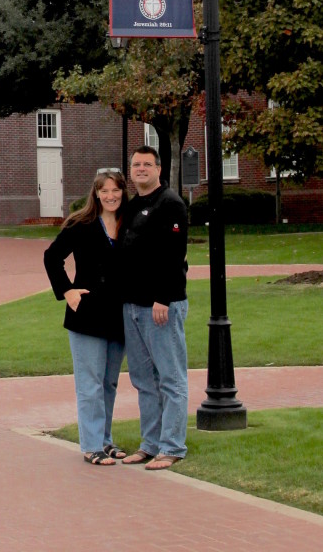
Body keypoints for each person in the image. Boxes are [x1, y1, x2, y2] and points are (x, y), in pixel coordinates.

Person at [44, 171, 128, 466]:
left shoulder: (127, 224)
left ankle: (105, 441)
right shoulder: (81, 224)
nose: (110, 196)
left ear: (122, 192)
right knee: (90, 384)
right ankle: (91, 445)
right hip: (87, 314)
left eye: (115, 190)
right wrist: (67, 290)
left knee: (109, 383)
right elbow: (52, 256)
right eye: (105, 191)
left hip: (118, 316)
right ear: (96, 193)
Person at [120, 145, 189, 470]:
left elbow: (175, 255)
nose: (142, 169)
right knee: (144, 379)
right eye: (137, 164)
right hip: (133, 305)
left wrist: (163, 297)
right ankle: (150, 444)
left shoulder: (170, 204)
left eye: (148, 164)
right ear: (131, 170)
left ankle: (172, 446)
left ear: (159, 169)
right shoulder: (133, 205)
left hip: (161, 306)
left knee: (171, 378)